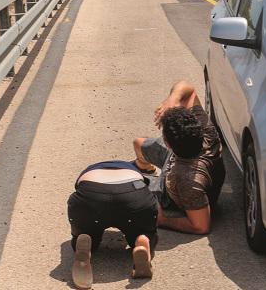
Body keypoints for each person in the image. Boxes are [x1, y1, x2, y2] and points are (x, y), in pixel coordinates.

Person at [133, 81, 225, 235]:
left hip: (170, 190)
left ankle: (145, 177)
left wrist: (163, 220)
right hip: (179, 158)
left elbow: (201, 226)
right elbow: (189, 91)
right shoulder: (207, 132)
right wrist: (172, 101)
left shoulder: (187, 181)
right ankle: (145, 167)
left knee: (128, 186)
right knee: (138, 143)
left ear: (168, 144)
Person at [67, 161, 158, 289]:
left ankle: (86, 241)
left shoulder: (89, 169)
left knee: (87, 228)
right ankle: (142, 240)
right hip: (133, 196)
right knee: (143, 229)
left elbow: (78, 187)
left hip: (91, 196)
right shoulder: (133, 170)